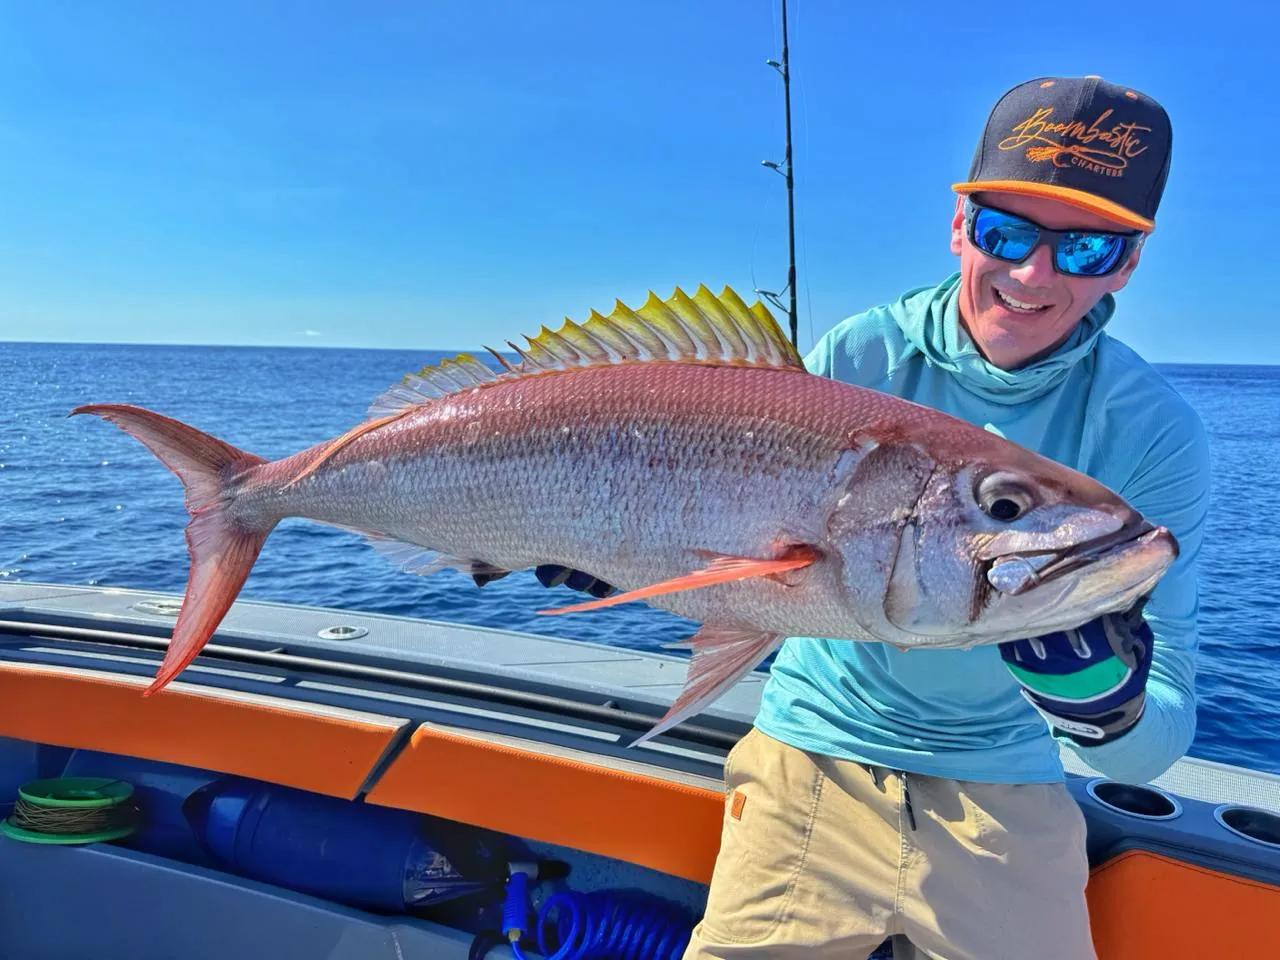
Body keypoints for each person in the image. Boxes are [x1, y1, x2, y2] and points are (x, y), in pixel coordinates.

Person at [546, 76, 1210, 960]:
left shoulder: (1153, 432)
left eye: (1085, 248)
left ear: (1128, 263)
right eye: (1003, 231)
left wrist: (1105, 703)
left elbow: (1154, 747)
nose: (1029, 273)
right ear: (958, 225)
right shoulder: (860, 355)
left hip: (1003, 786)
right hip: (813, 749)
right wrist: (624, 557)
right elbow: (769, 571)